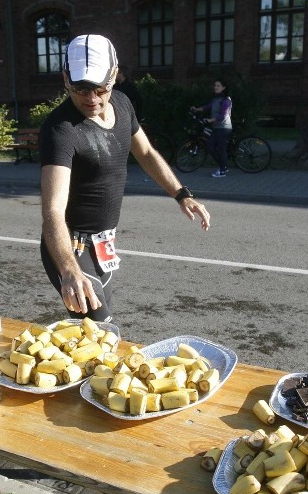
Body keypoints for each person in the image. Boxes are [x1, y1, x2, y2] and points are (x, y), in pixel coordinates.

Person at [39, 34, 211, 322]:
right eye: (80, 89)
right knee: (103, 335)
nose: (91, 99)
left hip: (104, 246)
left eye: (100, 88)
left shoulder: (122, 103)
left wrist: (181, 194)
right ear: (65, 79)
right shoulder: (61, 130)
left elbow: (145, 152)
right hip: (72, 249)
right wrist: (69, 271)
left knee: (95, 340)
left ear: (114, 76)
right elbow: (53, 210)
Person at [191, 79, 232, 178]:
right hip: (216, 127)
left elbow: (223, 115)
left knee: (221, 149)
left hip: (223, 127)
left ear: (223, 88)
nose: (215, 87)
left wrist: (210, 120)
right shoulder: (216, 99)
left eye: (218, 86)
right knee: (210, 147)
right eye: (215, 85)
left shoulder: (226, 100)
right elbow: (207, 107)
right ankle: (223, 166)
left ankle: (222, 171)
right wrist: (197, 109)